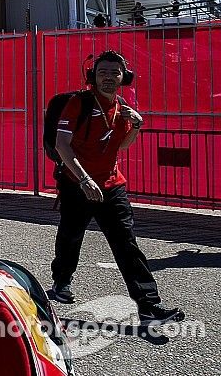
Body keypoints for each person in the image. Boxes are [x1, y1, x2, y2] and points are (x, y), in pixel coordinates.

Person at [49, 50, 184, 325]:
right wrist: (85, 179)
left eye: (114, 72)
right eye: (102, 72)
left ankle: (148, 305)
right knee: (71, 237)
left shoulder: (121, 106)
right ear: (92, 77)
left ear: (124, 77)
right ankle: (61, 283)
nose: (108, 77)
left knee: (126, 243)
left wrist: (137, 126)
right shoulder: (78, 103)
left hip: (111, 186)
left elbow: (121, 145)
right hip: (78, 184)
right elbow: (62, 145)